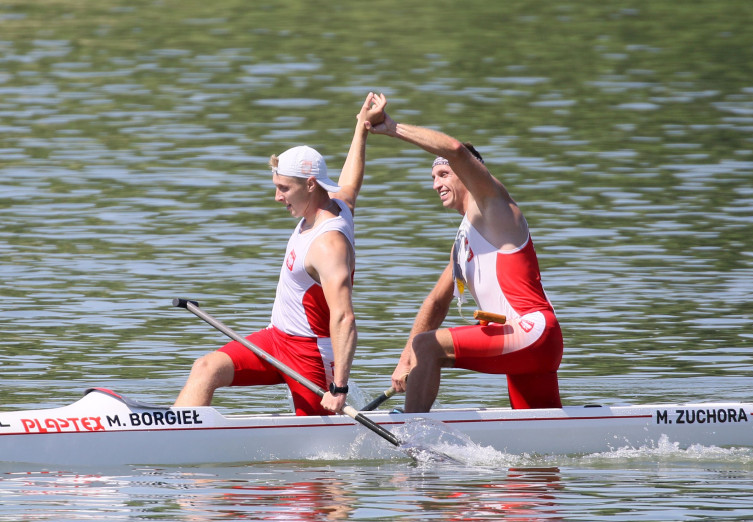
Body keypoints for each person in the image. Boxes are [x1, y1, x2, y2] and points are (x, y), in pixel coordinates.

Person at [174, 93, 387, 415]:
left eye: (284, 188)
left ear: (312, 184)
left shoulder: (329, 244)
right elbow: (351, 183)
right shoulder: (337, 204)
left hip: (311, 355)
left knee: (312, 456)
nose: (277, 197)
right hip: (276, 339)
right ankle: (174, 444)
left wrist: (340, 386)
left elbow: (344, 317)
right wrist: (361, 128)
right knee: (206, 368)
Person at [366, 98, 563, 412]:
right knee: (538, 442)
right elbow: (436, 303)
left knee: (427, 346)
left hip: (533, 332)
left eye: (444, 174)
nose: (436, 184)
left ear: (469, 174)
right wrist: (405, 360)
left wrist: (392, 128)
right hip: (521, 343)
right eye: (433, 178)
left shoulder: (494, 206)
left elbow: (456, 150)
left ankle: (412, 439)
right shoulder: (461, 244)